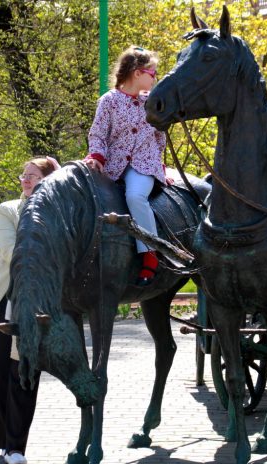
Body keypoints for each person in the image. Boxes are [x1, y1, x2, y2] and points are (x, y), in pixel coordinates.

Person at [0, 156, 59, 464]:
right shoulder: (9, 209)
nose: (25, 180)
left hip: (38, 305)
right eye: (24, 175)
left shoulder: (62, 214)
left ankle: (16, 445)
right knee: (1, 374)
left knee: (25, 372)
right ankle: (7, 444)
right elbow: (11, 251)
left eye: (33, 175)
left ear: (50, 180)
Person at [83, 45, 173, 287]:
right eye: (152, 73)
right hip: (113, 165)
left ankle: (150, 252)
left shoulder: (151, 101)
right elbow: (99, 134)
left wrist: (158, 166)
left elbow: (159, 138)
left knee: (135, 196)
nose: (155, 78)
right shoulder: (109, 101)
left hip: (143, 165)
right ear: (137, 72)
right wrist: (97, 157)